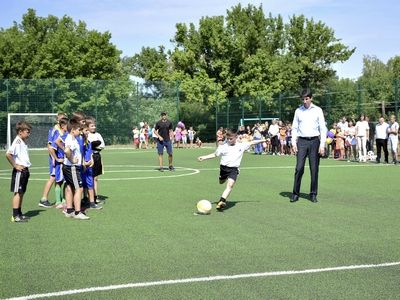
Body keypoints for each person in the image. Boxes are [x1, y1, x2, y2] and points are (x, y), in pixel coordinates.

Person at [197, 129, 265, 211]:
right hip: (224, 168)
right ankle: (223, 178)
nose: (229, 140)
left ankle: (222, 201)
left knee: (230, 185)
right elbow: (215, 154)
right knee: (221, 182)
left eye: (231, 139)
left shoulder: (241, 145)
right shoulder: (223, 146)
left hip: (234, 169)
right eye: (228, 139)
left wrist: (264, 140)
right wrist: (203, 157)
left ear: (236, 137)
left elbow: (252, 142)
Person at [291, 88, 327, 203]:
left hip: (315, 141)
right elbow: (294, 128)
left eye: (307, 99)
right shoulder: (298, 111)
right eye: (303, 99)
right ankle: (295, 193)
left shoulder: (318, 110)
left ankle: (313, 194)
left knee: (314, 169)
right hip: (301, 142)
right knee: (299, 168)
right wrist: (293, 143)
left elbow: (322, 128)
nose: (305, 101)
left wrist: (322, 145)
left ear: (311, 98)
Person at [62, 119, 90, 220]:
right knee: (79, 188)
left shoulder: (72, 138)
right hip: (72, 167)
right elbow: (66, 151)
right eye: (79, 129)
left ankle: (69, 210)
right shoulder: (71, 139)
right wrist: (72, 159)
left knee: (70, 187)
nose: (80, 131)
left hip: (69, 167)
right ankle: (77, 212)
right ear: (73, 130)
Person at [39, 112, 67, 208]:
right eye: (61, 118)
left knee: (60, 178)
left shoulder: (64, 130)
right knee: (53, 177)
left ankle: (61, 199)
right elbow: (50, 146)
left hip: (61, 158)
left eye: (65, 118)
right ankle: (44, 198)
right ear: (57, 120)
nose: (63, 119)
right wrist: (55, 158)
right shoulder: (54, 130)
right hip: (55, 158)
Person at [6, 121, 32, 222]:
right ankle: (15, 215)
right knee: (18, 192)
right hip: (19, 172)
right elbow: (8, 154)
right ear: (20, 132)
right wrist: (15, 165)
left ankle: (19, 213)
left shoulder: (22, 141)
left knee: (21, 192)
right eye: (27, 131)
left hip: (25, 171)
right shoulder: (17, 142)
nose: (29, 133)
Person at [86, 116, 105, 203]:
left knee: (96, 178)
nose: (94, 127)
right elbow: (87, 146)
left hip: (97, 157)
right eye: (91, 126)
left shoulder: (98, 135)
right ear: (87, 127)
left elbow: (102, 146)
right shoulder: (86, 135)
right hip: (90, 157)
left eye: (94, 126)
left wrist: (94, 146)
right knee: (88, 177)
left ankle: (95, 195)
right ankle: (87, 197)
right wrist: (92, 146)